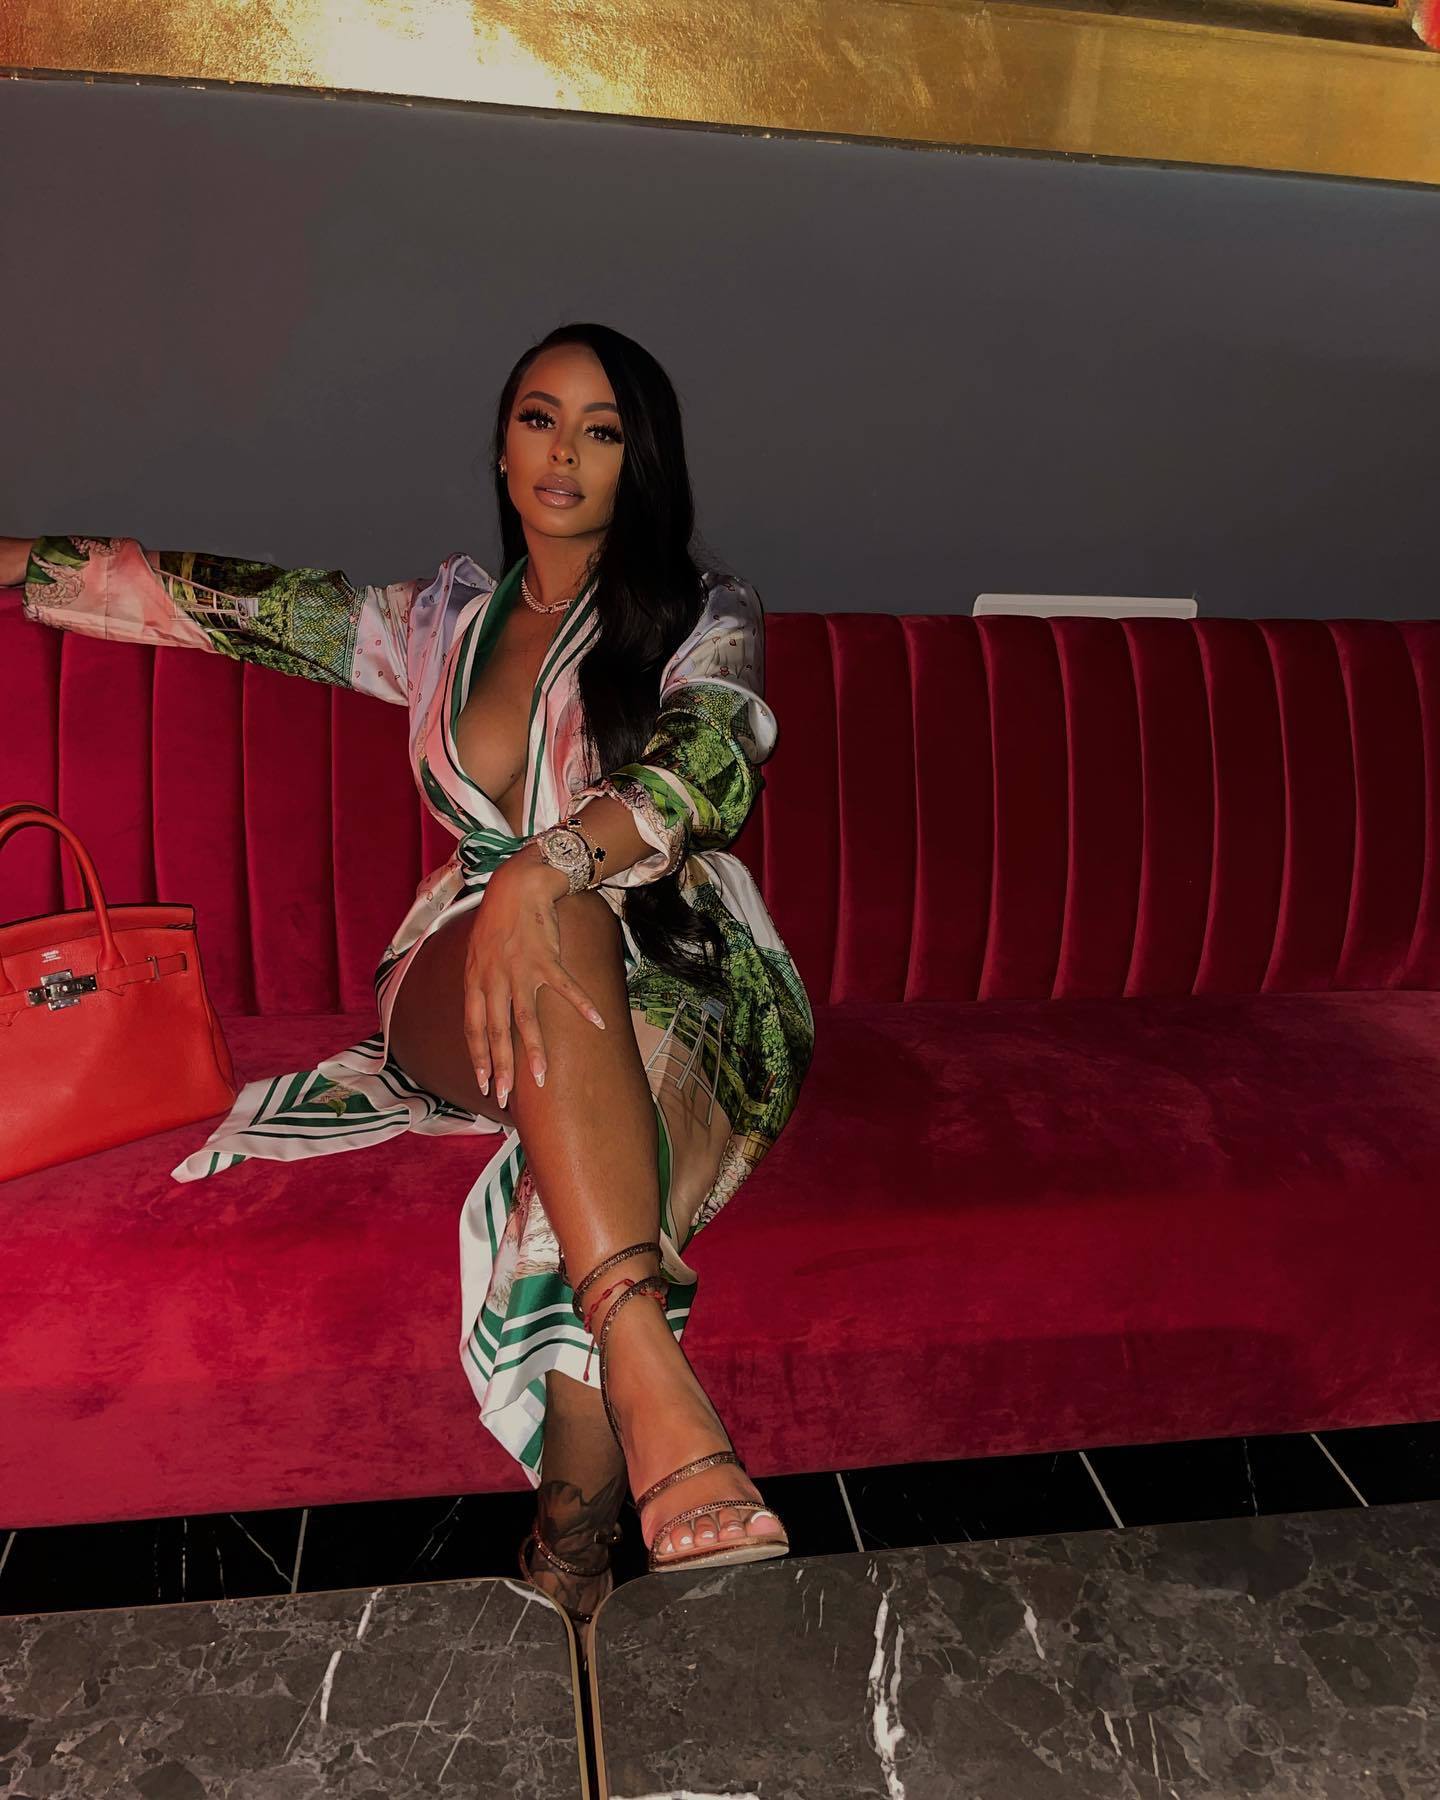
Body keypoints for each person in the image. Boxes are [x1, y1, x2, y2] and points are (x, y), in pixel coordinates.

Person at [1, 321, 815, 1632]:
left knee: (572, 1179)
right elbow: (229, 603)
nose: (564, 452)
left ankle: (568, 1545)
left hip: (672, 958)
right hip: (460, 963)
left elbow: (714, 757)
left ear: (642, 462)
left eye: (602, 430)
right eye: (539, 418)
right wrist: (17, 561)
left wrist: (555, 864)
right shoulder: (436, 625)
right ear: (501, 448)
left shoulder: (699, 614)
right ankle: (647, 1366)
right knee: (541, 935)